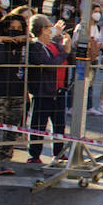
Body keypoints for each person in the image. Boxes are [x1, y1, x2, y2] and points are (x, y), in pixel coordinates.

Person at [0, 11, 29, 174]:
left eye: (19, 28)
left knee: (12, 129)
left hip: (18, 92)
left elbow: (36, 50)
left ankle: (6, 159)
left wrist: (25, 39)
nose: (15, 32)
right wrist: (1, 41)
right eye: (12, 28)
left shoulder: (25, 46)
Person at [25, 14, 70, 165]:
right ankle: (35, 155)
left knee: (59, 125)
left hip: (59, 91)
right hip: (43, 92)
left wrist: (67, 47)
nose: (52, 29)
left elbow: (66, 59)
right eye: (49, 26)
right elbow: (51, 64)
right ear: (43, 29)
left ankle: (59, 153)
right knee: (38, 124)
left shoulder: (53, 44)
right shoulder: (35, 47)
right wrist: (65, 51)